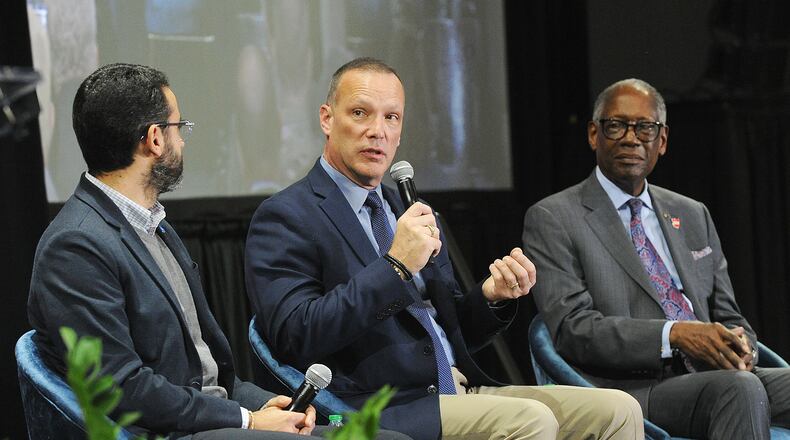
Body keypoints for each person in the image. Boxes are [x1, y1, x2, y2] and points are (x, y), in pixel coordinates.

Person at [244, 57, 643, 440]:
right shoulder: (286, 216)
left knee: (619, 410)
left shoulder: (409, 209)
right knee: (529, 420)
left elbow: (450, 328)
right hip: (379, 406)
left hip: (459, 389)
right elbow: (295, 335)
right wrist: (395, 266)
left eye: (391, 117)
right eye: (361, 113)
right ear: (327, 119)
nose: (377, 131)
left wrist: (491, 297)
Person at [27, 63, 409, 440]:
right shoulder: (76, 246)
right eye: (180, 128)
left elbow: (214, 374)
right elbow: (124, 390)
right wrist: (247, 420)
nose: (183, 140)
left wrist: (266, 405)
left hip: (214, 420)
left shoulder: (151, 224)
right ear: (155, 139)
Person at [522, 78, 790, 439]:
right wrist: (674, 334)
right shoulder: (554, 217)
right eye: (616, 126)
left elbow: (729, 315)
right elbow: (574, 330)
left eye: (645, 128)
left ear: (661, 141)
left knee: (744, 382)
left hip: (718, 375)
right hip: (632, 390)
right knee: (740, 389)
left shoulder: (693, 214)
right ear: (593, 135)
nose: (631, 138)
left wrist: (744, 350)